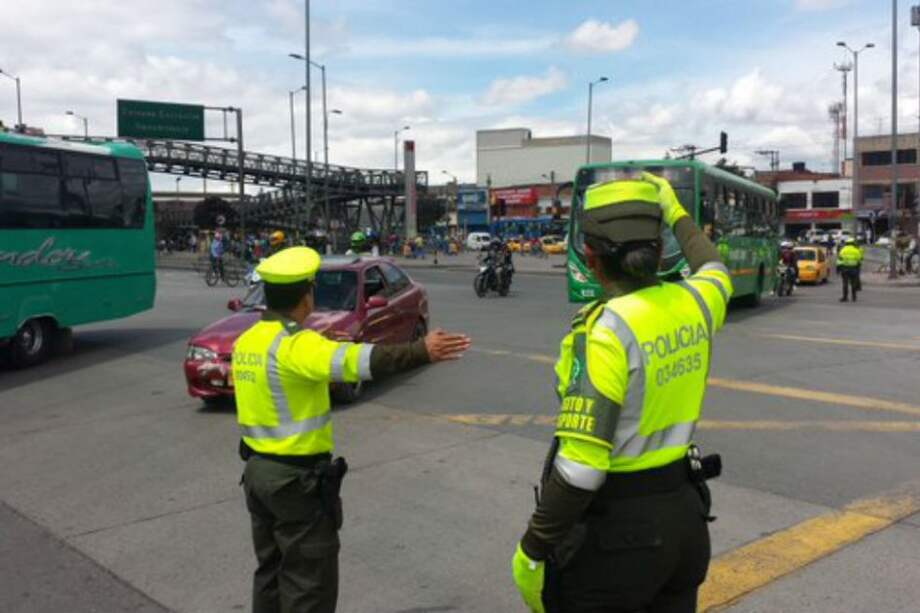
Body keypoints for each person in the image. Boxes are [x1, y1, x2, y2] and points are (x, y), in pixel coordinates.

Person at [512, 173, 732, 613]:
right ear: (657, 251)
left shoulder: (604, 331)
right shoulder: (694, 302)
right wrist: (674, 211)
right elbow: (715, 269)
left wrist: (532, 550)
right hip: (686, 522)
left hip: (621, 538)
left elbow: (580, 470)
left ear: (591, 259)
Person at [233, 247, 470, 613]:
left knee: (271, 570)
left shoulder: (249, 340)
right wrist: (422, 350)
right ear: (307, 293)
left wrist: (328, 347)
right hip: (295, 482)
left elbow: (287, 375)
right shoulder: (298, 345)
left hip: (257, 474)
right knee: (309, 582)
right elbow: (367, 362)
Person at [837, 237, 863, 302]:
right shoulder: (856, 250)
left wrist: (838, 268)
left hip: (845, 269)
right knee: (853, 283)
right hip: (854, 269)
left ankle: (845, 297)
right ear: (853, 243)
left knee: (845, 283)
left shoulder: (843, 250)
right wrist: (858, 267)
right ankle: (854, 297)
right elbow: (859, 260)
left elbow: (839, 260)